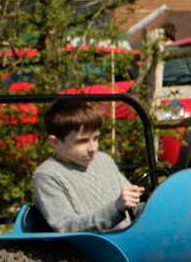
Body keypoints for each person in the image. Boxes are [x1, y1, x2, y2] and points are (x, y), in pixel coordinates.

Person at [32, 98, 145, 232]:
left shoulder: (103, 160)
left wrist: (153, 208)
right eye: (82, 141)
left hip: (126, 238)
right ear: (55, 142)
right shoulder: (47, 175)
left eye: (96, 138)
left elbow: (132, 204)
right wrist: (116, 208)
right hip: (87, 249)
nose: (93, 148)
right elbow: (66, 226)